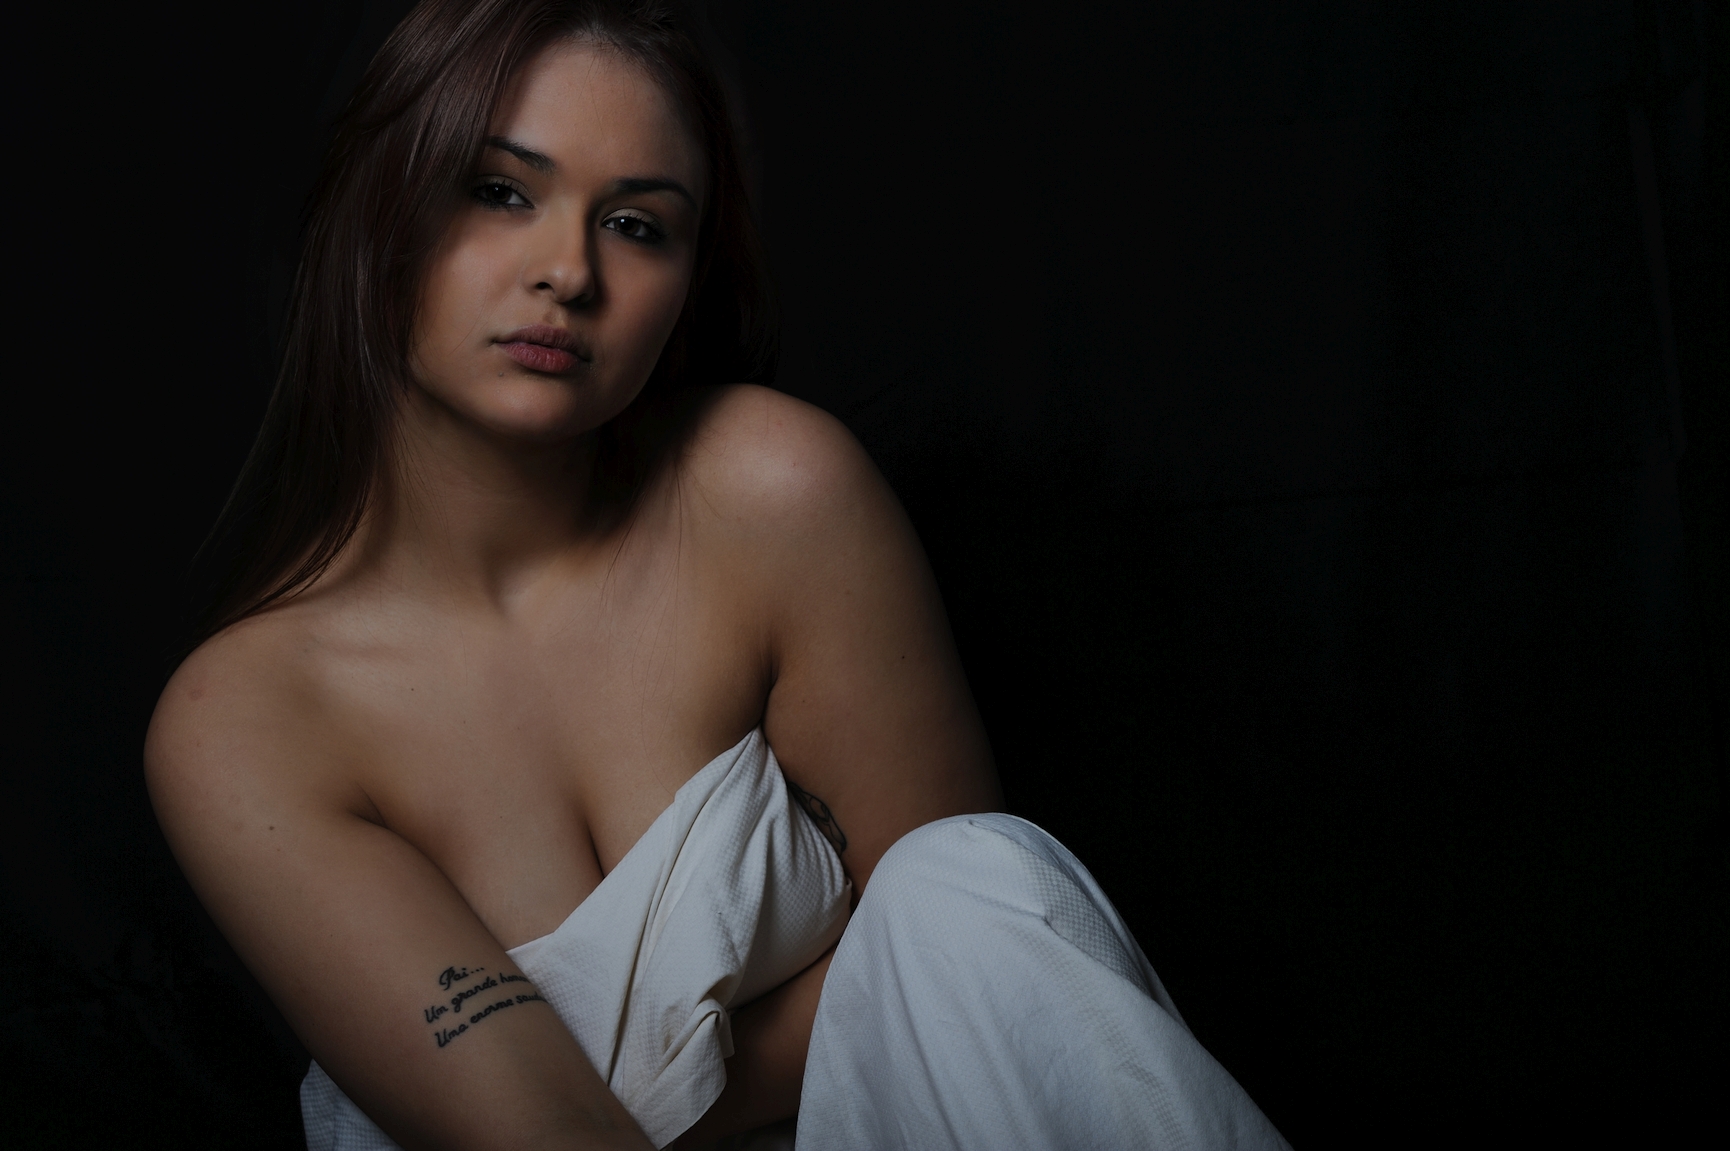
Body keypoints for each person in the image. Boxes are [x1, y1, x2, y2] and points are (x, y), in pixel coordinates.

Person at [146, 3, 1288, 1148]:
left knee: (968, 876)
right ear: (374, 210)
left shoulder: (769, 493)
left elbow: (963, 981)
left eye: (635, 224)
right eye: (499, 190)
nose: (567, 271)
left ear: (690, 276)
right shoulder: (247, 719)